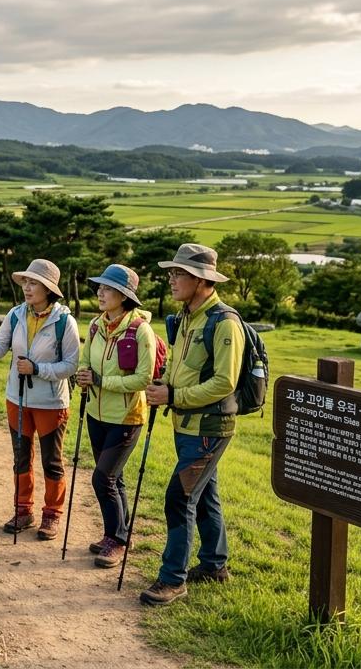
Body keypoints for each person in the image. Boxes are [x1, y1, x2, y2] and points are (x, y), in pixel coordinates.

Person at [140, 243, 243, 606]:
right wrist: (163, 383)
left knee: (180, 497)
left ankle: (172, 580)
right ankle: (215, 565)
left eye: (179, 273)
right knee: (204, 496)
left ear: (201, 280)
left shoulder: (224, 322)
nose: (172, 279)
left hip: (209, 428)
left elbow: (225, 382)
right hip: (187, 425)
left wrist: (174, 395)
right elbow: (178, 364)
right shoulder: (187, 316)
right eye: (172, 272)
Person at [0, 259, 80, 540]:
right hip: (17, 399)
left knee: (52, 462)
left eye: (33, 283)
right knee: (21, 458)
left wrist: (37, 369)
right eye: (25, 282)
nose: (27, 287)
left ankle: (52, 514)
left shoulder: (65, 322)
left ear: (48, 289)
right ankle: (23, 510)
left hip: (51, 404)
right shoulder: (15, 315)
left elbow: (71, 365)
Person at [74, 264, 156, 568]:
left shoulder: (140, 330)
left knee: (102, 478)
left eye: (107, 288)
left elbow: (143, 379)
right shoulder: (96, 325)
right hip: (96, 413)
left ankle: (116, 539)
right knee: (114, 477)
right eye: (100, 287)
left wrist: (100, 381)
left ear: (123, 296)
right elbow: (85, 361)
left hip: (126, 417)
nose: (100, 292)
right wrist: (83, 376)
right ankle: (120, 533)